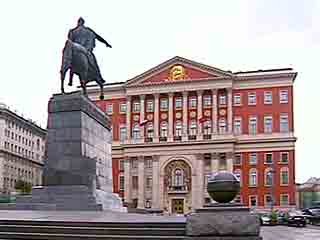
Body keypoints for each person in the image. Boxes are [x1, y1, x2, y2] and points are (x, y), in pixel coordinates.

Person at [67, 17, 112, 84]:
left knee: (70, 62)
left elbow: (70, 42)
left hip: (75, 50)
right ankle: (98, 76)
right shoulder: (88, 30)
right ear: (83, 23)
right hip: (86, 50)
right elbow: (98, 37)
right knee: (93, 63)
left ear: (78, 22)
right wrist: (106, 43)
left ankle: (70, 79)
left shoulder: (72, 31)